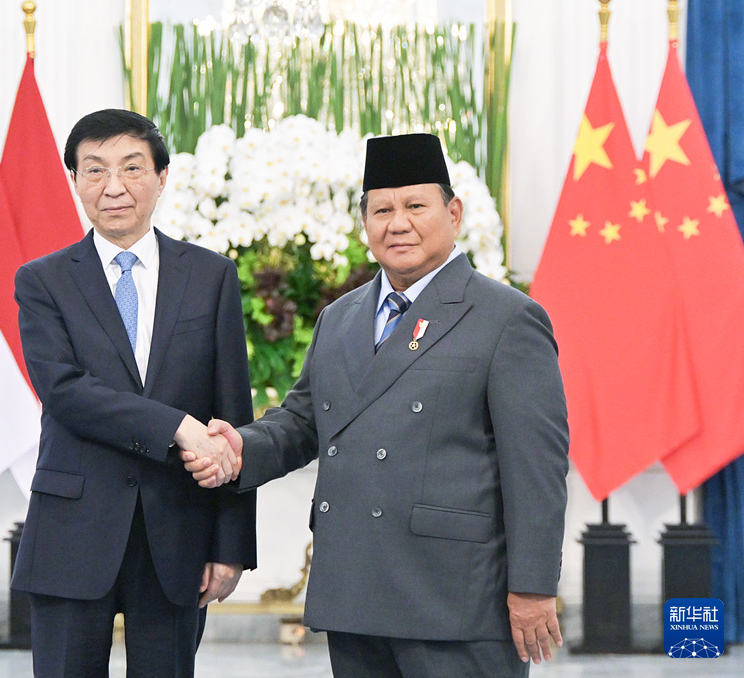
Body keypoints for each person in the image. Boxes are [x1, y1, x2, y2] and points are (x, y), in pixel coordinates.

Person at [184, 133, 569, 677]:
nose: (398, 223)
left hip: (456, 599)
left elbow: (537, 469)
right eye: (382, 210)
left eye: (416, 206)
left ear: (454, 214)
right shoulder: (340, 318)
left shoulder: (506, 318)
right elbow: (303, 421)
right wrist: (239, 447)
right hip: (355, 591)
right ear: (364, 223)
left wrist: (532, 587)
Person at [11, 108, 255, 677]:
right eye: (94, 170)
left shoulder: (211, 276)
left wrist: (232, 545)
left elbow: (231, 418)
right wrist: (177, 426)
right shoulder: (43, 280)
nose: (113, 186)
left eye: (132, 168)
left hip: (177, 532)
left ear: (162, 177)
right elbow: (65, 392)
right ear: (75, 181)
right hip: (72, 533)